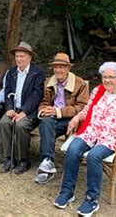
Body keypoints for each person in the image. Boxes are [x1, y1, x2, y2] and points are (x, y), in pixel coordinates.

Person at [54, 62, 116, 216]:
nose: (107, 80)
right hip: (91, 132)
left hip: (110, 138)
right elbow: (88, 109)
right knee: (73, 149)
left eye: (111, 77)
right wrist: (76, 117)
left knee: (94, 156)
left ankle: (91, 199)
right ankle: (67, 192)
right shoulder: (98, 90)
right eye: (104, 77)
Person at [35, 53, 89, 184]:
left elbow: (82, 107)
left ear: (68, 69)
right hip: (53, 117)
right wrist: (43, 110)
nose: (58, 70)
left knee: (47, 126)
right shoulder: (48, 82)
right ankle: (47, 161)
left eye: (62, 67)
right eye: (56, 67)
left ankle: (47, 163)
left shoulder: (80, 83)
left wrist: (58, 111)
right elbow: (44, 101)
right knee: (45, 123)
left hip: (71, 120)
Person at [0, 41, 45, 174]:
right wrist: (9, 108)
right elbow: (7, 92)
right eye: (17, 56)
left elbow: (37, 95)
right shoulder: (11, 72)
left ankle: (23, 159)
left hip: (29, 111)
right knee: (3, 123)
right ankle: (9, 158)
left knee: (20, 126)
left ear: (29, 57)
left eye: (22, 56)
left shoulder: (37, 72)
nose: (18, 59)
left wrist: (24, 111)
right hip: (13, 108)